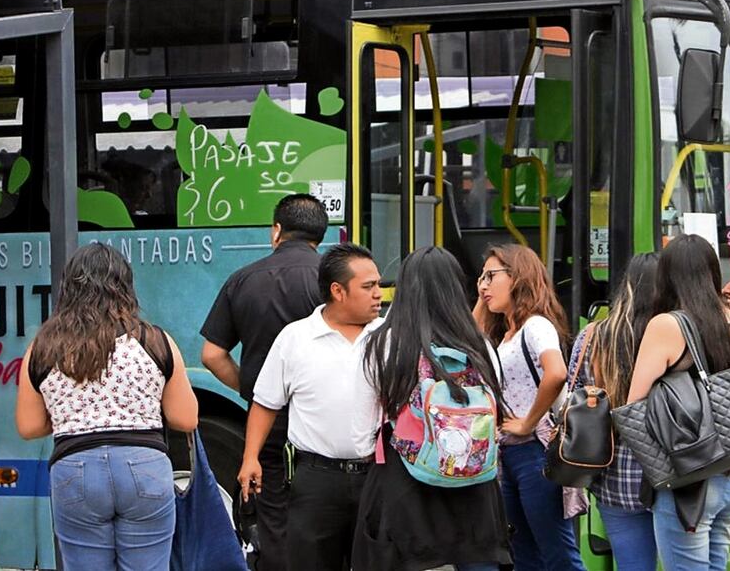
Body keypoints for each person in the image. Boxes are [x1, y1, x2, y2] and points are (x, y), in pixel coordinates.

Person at [15, 243, 199, 570]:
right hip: (145, 469)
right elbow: (185, 419)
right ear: (126, 286)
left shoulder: (43, 347)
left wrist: (71, 414)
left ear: (68, 288)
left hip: (75, 470)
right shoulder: (155, 341)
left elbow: (29, 427)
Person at [354, 246, 511, 570]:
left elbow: (362, 428)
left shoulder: (381, 342)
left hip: (407, 490)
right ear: (456, 288)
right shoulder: (480, 345)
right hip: (475, 489)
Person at [236, 243, 384, 571]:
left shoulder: (386, 336)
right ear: (338, 291)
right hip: (315, 480)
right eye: (368, 286)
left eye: (378, 285)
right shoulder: (296, 338)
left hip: (374, 478)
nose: (379, 294)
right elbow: (265, 403)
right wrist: (250, 458)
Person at [200, 193, 327, 570]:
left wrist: (254, 394)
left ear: (276, 231)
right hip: (321, 426)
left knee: (273, 519)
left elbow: (212, 354)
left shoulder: (242, 279)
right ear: (321, 234)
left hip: (268, 425)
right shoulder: (331, 281)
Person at [627, 234, 730, 571]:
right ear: (713, 274)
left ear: (666, 276)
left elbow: (634, 407)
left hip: (688, 482)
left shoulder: (668, 325)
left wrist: (662, 471)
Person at [474, 244, 586, 571]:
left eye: (491, 276)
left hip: (535, 451)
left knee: (557, 553)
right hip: (509, 454)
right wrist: (484, 296)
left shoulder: (536, 326)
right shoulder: (506, 333)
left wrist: (526, 422)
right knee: (524, 554)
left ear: (518, 277)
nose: (483, 284)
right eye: (481, 277)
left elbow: (557, 373)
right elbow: (467, 341)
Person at [567, 253, 659, 571]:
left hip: (614, 476)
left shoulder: (592, 336)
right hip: (674, 473)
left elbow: (573, 395)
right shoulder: (674, 338)